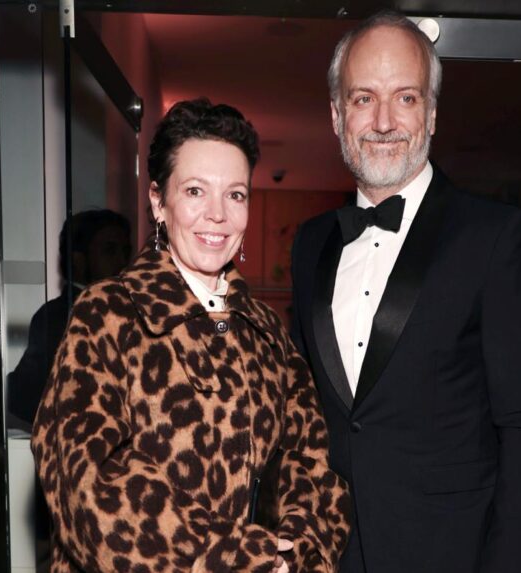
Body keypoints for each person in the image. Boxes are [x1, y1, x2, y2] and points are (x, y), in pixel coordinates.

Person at [289, 11, 521, 572]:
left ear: (431, 115)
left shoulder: (497, 238)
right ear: (337, 116)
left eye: (405, 98)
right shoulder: (311, 244)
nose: (384, 121)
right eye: (364, 98)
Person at [32, 99, 351, 573]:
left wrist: (295, 553)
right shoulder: (108, 314)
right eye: (196, 191)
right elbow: (85, 480)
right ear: (158, 202)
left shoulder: (267, 333)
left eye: (235, 195)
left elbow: (308, 463)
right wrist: (236, 559)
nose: (217, 215)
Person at [8, 209, 132, 426]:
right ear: (78, 260)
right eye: (109, 251)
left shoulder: (129, 311)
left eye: (126, 251)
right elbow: (27, 396)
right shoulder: (58, 315)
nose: (122, 261)